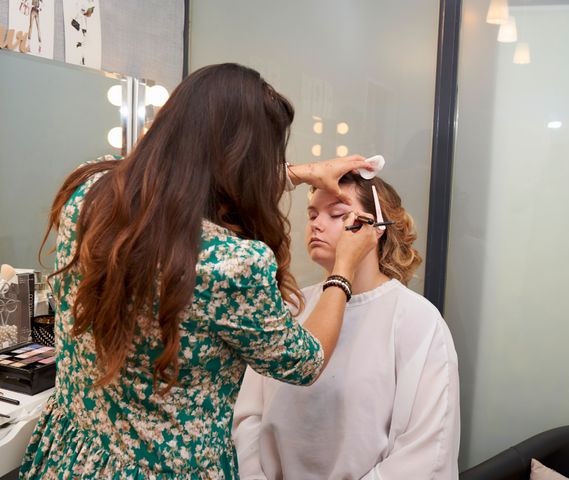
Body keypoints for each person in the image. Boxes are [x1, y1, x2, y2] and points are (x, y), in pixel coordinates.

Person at [19, 63, 378, 479]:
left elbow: (184, 186)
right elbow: (306, 361)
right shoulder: (230, 266)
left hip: (73, 456)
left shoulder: (93, 195)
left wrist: (296, 174)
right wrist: (344, 269)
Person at [233, 173, 461, 479]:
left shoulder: (418, 321)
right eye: (312, 214)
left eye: (336, 214)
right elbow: (248, 416)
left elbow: (426, 449)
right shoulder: (289, 308)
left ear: (372, 228)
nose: (316, 224)